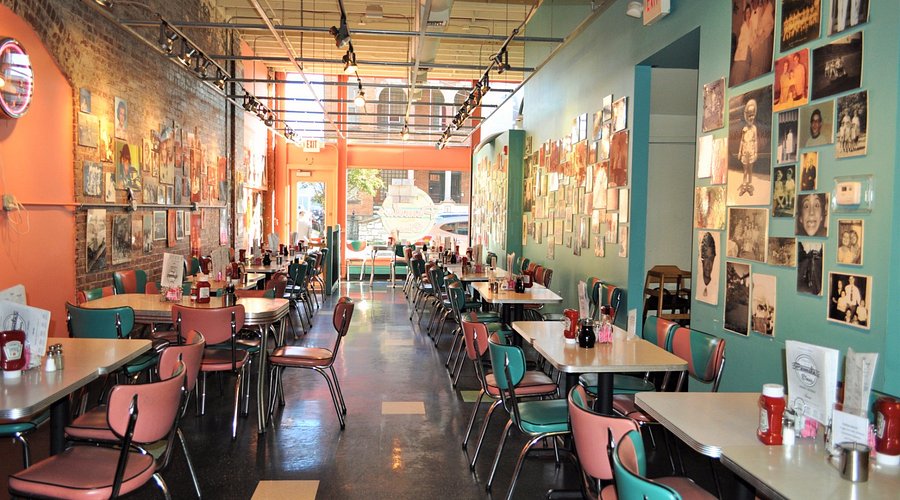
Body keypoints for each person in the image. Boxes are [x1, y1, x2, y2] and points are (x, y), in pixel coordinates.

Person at [737, 98, 758, 197]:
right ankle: (744, 185)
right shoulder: (744, 129)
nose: (751, 118)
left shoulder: (754, 128)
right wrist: (739, 152)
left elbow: (756, 141)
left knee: (750, 170)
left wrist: (756, 152)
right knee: (745, 170)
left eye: (752, 115)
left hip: (751, 152)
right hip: (745, 152)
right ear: (746, 116)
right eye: (749, 116)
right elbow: (742, 141)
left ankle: (749, 186)